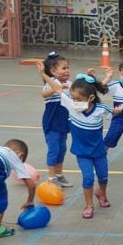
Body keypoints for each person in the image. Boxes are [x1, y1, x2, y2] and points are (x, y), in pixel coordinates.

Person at [39, 65, 123, 220]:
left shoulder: (100, 109)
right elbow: (56, 88)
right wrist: (44, 74)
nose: (75, 102)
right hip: (82, 152)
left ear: (91, 98)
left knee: (103, 176)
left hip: (99, 151)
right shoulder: (70, 105)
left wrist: (118, 110)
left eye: (79, 99)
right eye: (73, 98)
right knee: (88, 178)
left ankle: (101, 194)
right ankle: (89, 205)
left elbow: (113, 114)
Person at [40, 52, 74, 188]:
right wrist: (57, 87)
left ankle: (59, 175)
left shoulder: (69, 84)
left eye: (67, 68)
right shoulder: (50, 84)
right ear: (53, 71)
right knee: (53, 149)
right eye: (63, 68)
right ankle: (51, 177)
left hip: (64, 123)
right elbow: (44, 94)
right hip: (52, 124)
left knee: (62, 149)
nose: (67, 70)